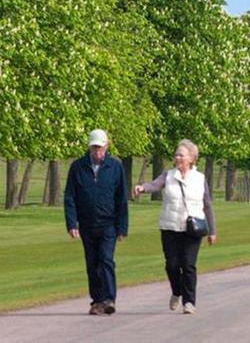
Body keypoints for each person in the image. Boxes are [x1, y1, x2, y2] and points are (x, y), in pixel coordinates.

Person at [134, 139, 217, 314]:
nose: (177, 157)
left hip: (192, 228)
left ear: (191, 158)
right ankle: (176, 291)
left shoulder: (199, 178)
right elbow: (155, 185)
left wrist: (212, 231)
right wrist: (143, 188)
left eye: (181, 155)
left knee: (188, 265)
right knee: (171, 265)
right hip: (170, 227)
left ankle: (189, 302)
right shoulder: (169, 175)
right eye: (176, 154)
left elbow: (207, 205)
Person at [64, 129, 128, 316]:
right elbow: (70, 197)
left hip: (108, 223)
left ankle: (109, 299)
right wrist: (72, 223)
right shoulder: (78, 167)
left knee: (106, 259)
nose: (97, 152)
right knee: (92, 263)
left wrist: (122, 226)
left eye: (100, 148)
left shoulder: (115, 167)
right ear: (89, 148)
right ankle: (97, 301)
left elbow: (121, 198)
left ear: (106, 146)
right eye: (94, 148)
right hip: (86, 223)